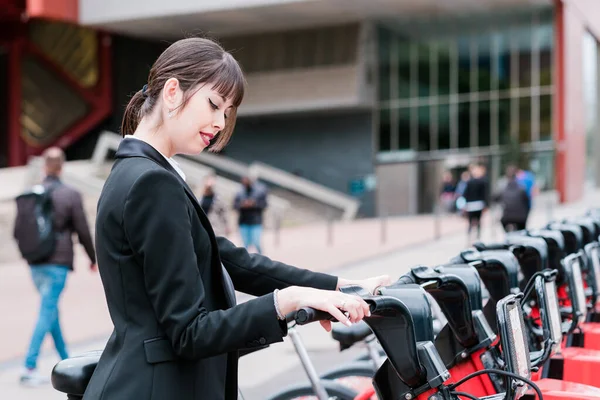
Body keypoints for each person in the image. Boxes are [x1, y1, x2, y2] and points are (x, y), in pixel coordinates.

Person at [84, 37, 391, 400]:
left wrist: (337, 286)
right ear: (171, 92)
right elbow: (190, 332)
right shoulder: (152, 182)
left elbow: (231, 259)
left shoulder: (139, 173)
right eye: (213, 104)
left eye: (227, 111)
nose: (219, 122)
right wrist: (286, 300)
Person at [17, 147, 97, 386]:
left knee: (50, 312)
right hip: (57, 264)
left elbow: (17, 231)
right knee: (46, 311)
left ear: (44, 167)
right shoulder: (70, 194)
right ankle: (29, 366)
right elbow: (82, 229)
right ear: (62, 167)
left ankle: (67, 361)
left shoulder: (31, 194)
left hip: (35, 264)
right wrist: (93, 258)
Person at [233, 175, 267, 254]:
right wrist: (242, 205)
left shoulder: (258, 192)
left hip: (256, 222)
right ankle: (246, 263)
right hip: (243, 222)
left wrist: (254, 204)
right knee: (245, 245)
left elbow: (264, 205)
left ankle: (262, 260)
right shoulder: (239, 193)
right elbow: (234, 205)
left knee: (257, 243)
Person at [495, 165, 531, 232]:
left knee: (504, 224)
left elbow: (496, 199)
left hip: (507, 217)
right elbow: (527, 202)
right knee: (522, 230)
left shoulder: (503, 189)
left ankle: (507, 234)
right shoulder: (522, 188)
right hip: (521, 217)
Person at [462, 163, 488, 242]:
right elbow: (484, 194)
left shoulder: (469, 182)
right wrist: (486, 204)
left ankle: (470, 237)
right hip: (479, 204)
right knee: (478, 221)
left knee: (470, 222)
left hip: (470, 205)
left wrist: (465, 204)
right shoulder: (482, 182)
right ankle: (478, 237)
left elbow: (465, 194)